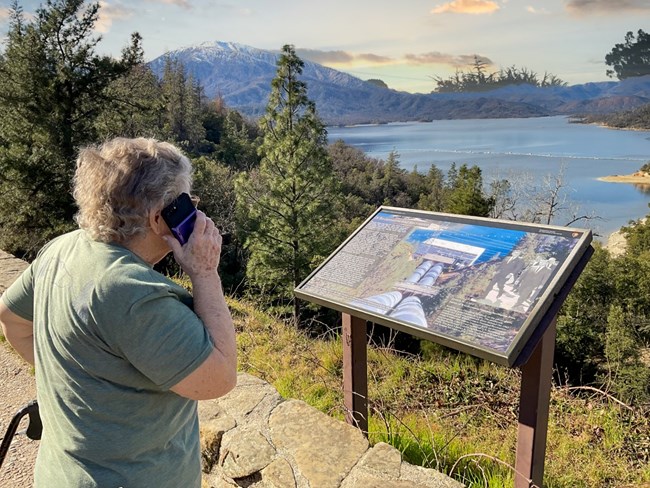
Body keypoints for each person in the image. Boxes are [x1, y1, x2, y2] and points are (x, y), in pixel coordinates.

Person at [0, 137, 237, 487]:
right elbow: (220, 378)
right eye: (188, 203)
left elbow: (11, 317)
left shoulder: (61, 249)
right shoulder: (135, 295)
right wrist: (204, 271)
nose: (196, 213)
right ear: (159, 218)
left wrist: (76, 384)